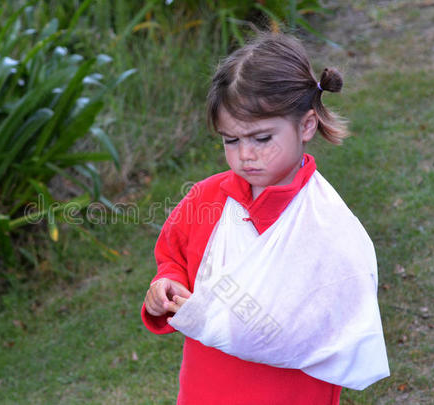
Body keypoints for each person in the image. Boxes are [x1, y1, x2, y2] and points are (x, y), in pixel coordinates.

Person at [141, 33, 389, 405]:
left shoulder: (326, 225)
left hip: (290, 392)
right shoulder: (206, 200)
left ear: (306, 126)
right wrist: (166, 286)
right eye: (231, 141)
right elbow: (173, 258)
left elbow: (336, 324)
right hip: (207, 387)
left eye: (261, 138)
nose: (245, 156)